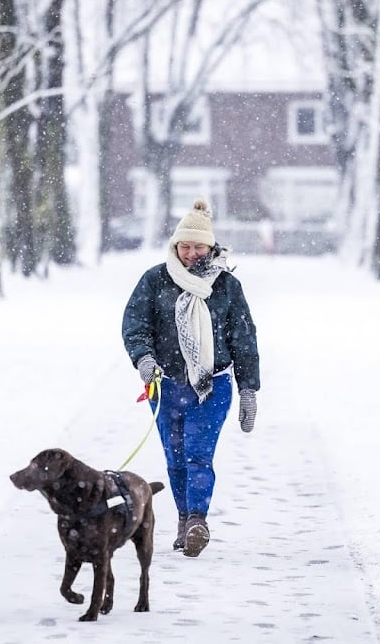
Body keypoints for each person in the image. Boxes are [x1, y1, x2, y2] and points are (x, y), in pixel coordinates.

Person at [122, 199, 260, 558]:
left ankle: (198, 519)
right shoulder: (154, 281)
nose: (191, 253)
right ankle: (184, 519)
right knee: (175, 457)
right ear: (175, 246)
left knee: (199, 455)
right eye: (185, 246)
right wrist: (144, 360)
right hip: (165, 385)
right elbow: (136, 326)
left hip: (211, 386)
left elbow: (244, 339)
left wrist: (248, 390)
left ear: (211, 247)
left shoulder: (227, 286)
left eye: (199, 247)